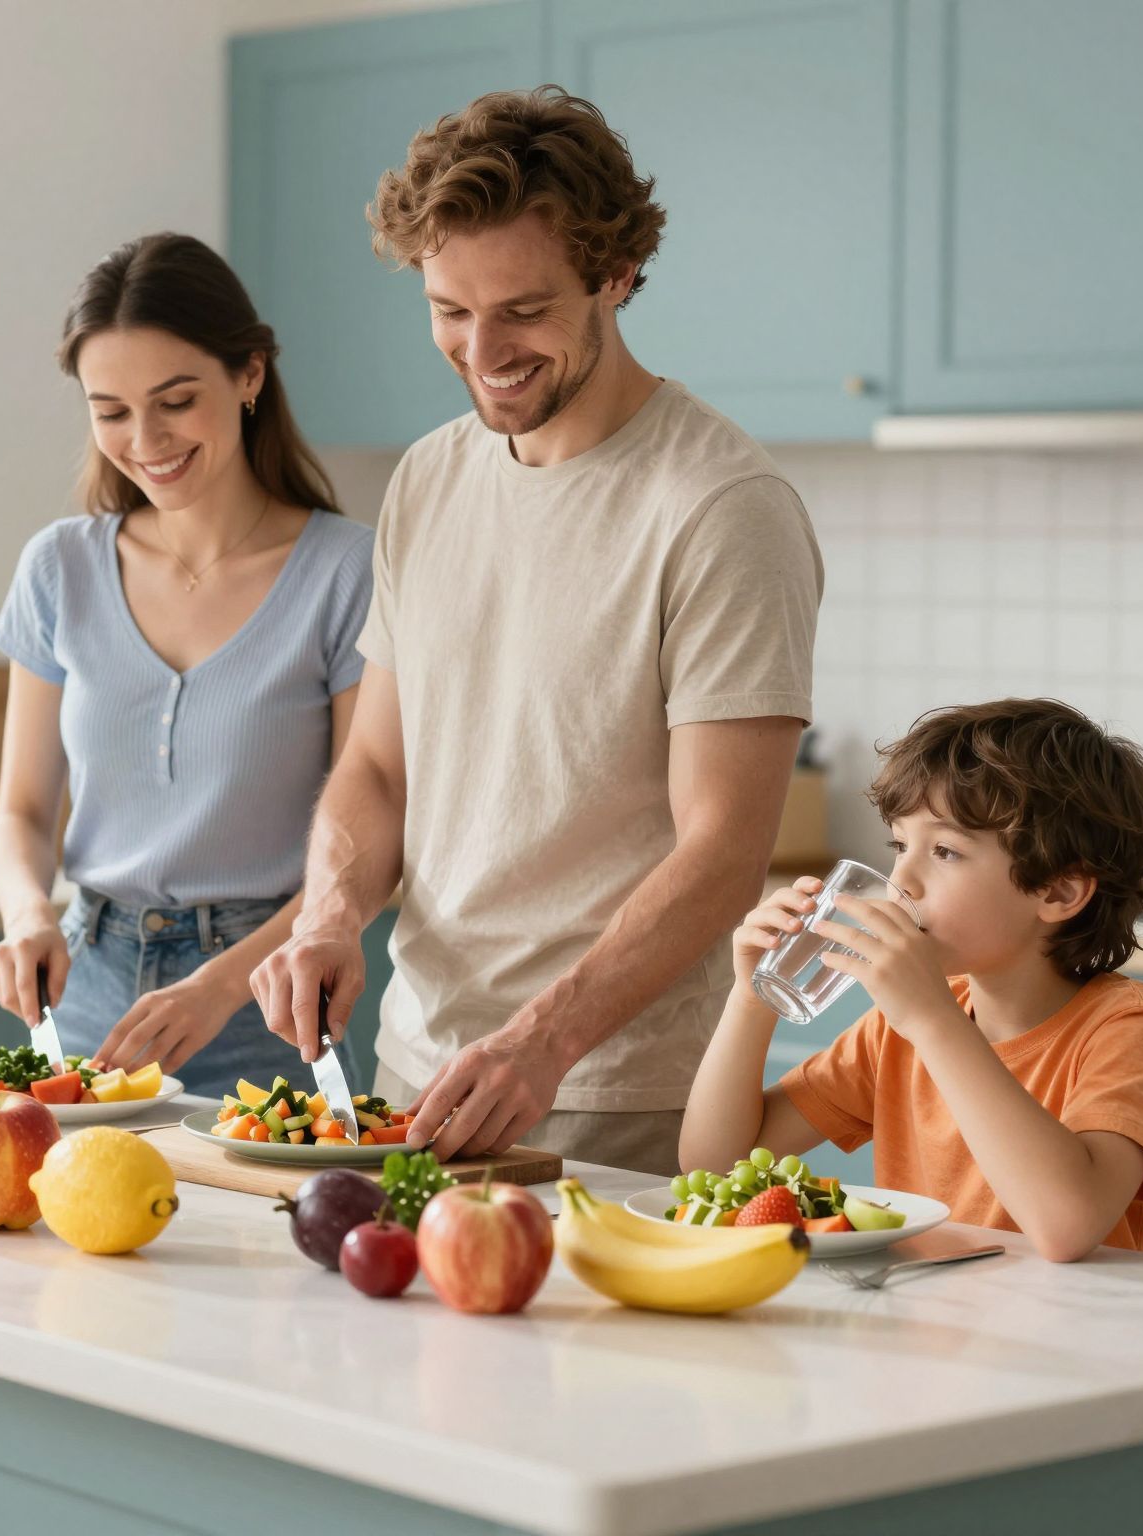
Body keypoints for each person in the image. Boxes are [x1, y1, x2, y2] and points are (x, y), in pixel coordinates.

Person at [249, 88, 824, 1175]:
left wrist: (543, 1041)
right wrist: (327, 916)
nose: (480, 350)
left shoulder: (719, 505)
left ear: (614, 276)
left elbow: (721, 852)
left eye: (522, 309)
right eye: (447, 310)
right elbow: (377, 766)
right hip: (410, 1075)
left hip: (614, 1093)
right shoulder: (429, 477)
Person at [0, 232, 373, 1095]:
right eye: (111, 410)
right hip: (84, 989)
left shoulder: (347, 571)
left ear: (250, 376)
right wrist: (25, 914)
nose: (145, 439)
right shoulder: (60, 568)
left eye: (175, 400)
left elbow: (368, 846)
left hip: (269, 998)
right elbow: (19, 810)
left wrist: (221, 984)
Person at [682, 698, 1143, 1260]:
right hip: (936, 1329)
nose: (901, 879)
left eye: (945, 851)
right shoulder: (898, 1030)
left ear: (1057, 892)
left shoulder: (1132, 1031)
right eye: (900, 845)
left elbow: (1066, 1228)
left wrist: (931, 1020)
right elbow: (714, 1164)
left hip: (1089, 1340)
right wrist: (751, 997)